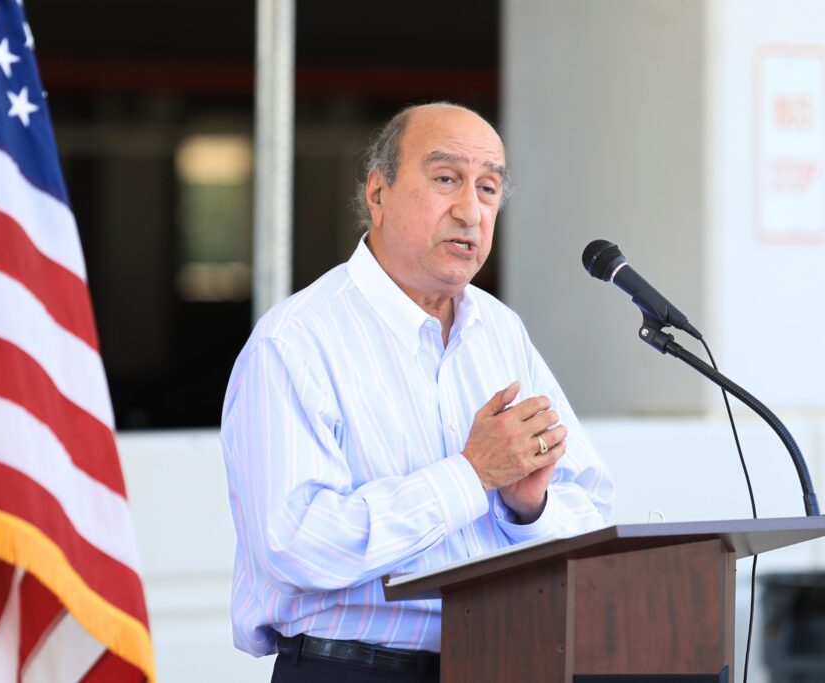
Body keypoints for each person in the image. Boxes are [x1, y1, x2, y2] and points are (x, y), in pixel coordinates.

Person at [220, 102, 614, 683]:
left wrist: (527, 509)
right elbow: (296, 542)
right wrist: (471, 476)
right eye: (446, 179)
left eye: (488, 189)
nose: (470, 211)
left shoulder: (500, 330)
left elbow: (593, 509)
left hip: (498, 662)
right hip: (350, 668)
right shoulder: (297, 340)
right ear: (377, 194)